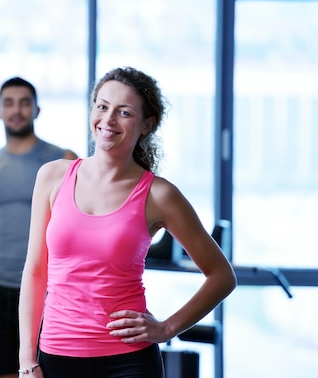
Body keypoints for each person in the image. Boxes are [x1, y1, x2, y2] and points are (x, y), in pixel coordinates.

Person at [17, 66, 237, 377]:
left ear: (147, 124)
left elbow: (222, 276)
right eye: (102, 107)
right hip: (56, 355)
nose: (108, 120)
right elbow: (35, 271)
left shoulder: (159, 195)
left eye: (124, 112)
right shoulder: (52, 176)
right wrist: (27, 360)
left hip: (128, 361)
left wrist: (167, 328)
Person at [0, 77, 78, 378]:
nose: (17, 109)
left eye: (25, 102)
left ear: (37, 110)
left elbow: (81, 233)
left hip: (49, 291)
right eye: (8, 102)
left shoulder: (64, 162)